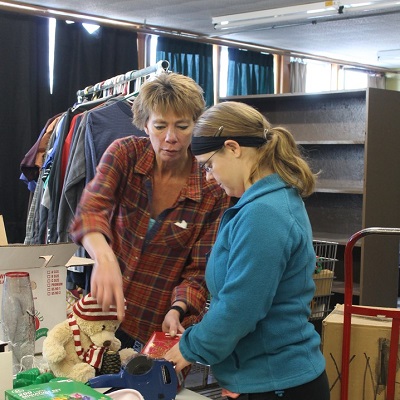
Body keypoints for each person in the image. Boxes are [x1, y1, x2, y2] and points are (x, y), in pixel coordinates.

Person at [165, 101, 330, 400]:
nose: (209, 177)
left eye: (209, 165)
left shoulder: (263, 213)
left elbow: (239, 307)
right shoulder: (271, 200)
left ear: (233, 148)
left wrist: (187, 349)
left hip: (278, 382)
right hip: (267, 378)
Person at [69, 72, 230, 351]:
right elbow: (91, 208)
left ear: (196, 125)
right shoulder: (125, 154)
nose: (171, 138)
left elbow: (200, 268)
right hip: (103, 314)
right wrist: (104, 257)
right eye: (160, 126)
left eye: (182, 126)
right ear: (144, 125)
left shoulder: (211, 188)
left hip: (158, 327)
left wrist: (178, 308)